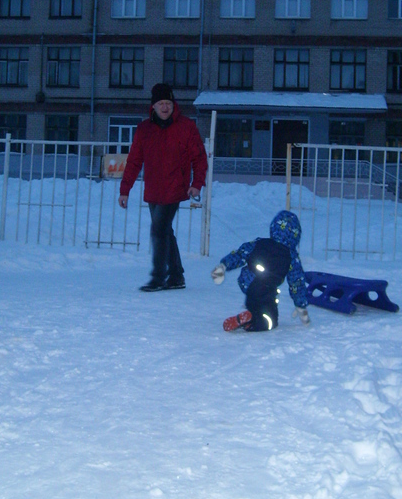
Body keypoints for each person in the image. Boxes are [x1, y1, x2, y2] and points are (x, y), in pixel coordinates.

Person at [118, 83, 208, 292]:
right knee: (165, 231)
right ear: (154, 106)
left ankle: (158, 277)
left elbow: (199, 158)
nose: (165, 107)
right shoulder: (144, 130)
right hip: (154, 190)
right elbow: (134, 161)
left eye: (168, 103)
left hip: (176, 187)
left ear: (173, 104)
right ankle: (176, 276)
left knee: (158, 230)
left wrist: (196, 184)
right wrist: (125, 190)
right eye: (161, 104)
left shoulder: (186, 127)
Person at [211, 210, 311, 331]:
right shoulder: (292, 257)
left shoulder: (259, 243)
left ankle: (251, 314)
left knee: (256, 301)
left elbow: (241, 254)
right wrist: (300, 305)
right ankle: (253, 319)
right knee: (271, 320)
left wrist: (223, 266)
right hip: (266, 288)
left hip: (247, 281)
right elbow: (297, 282)